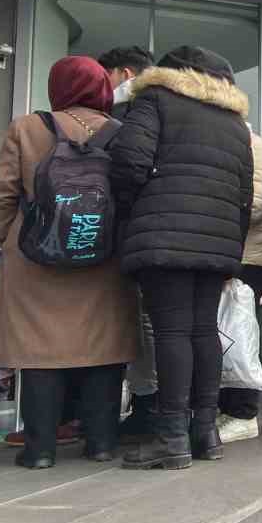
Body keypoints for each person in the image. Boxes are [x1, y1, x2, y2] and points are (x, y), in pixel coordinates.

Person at [0, 57, 140, 468]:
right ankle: (101, 442)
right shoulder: (122, 133)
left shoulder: (27, 127)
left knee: (38, 348)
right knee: (104, 345)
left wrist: (5, 236)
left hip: (37, 252)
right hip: (103, 252)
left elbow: (1, 192)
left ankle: (40, 450)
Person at [110, 46, 253, 468]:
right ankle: (205, 432)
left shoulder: (154, 100)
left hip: (163, 233)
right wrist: (233, 245)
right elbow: (244, 193)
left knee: (171, 331)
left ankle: (171, 436)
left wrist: (133, 210)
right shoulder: (234, 122)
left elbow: (129, 162)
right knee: (202, 330)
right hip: (218, 238)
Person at [216, 115, 262, 444]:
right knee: (228, 334)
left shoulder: (255, 151)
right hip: (238, 253)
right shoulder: (245, 148)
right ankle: (231, 408)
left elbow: (254, 206)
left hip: (249, 258)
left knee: (239, 334)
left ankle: (244, 412)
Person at [99, 45, 159, 433]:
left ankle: (147, 408)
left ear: (124, 73)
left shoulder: (130, 114)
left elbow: (128, 171)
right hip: (169, 235)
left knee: (140, 324)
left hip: (133, 233)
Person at [100, 45, 154, 110]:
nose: (103, 81)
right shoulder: (159, 105)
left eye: (108, 74)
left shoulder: (122, 113)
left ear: (126, 75)